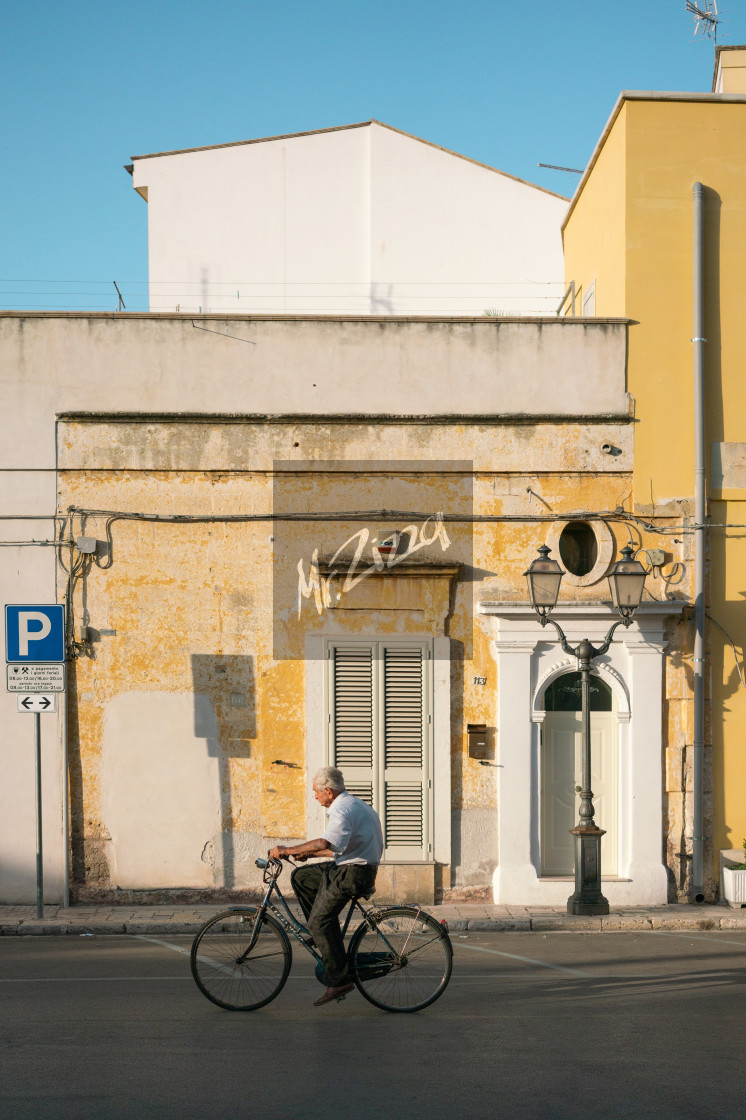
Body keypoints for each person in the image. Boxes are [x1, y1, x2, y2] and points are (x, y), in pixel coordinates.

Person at [269, 766, 383, 1007]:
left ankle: (339, 979)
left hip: (354, 873)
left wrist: (286, 850)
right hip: (353, 867)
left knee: (318, 921)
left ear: (328, 792)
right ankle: (323, 933)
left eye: (316, 792)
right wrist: (308, 856)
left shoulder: (340, 808)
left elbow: (325, 842)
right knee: (302, 877)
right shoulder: (354, 804)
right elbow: (337, 847)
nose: (315, 796)